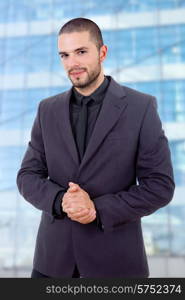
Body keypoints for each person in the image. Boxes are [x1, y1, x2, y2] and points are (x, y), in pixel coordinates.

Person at [16, 17, 175, 278]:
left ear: (102, 53)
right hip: (52, 264)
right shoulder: (47, 110)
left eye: (81, 52)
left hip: (117, 266)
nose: (72, 63)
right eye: (64, 55)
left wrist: (96, 210)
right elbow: (27, 176)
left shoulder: (141, 108)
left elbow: (160, 185)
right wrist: (60, 200)